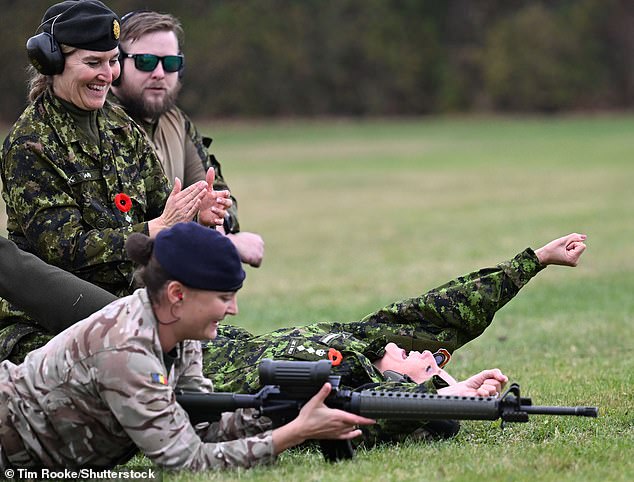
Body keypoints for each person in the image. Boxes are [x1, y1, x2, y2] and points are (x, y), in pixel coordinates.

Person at [0, 231, 586, 444]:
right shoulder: (363, 345)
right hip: (151, 336)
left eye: (424, 366)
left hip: (155, 359)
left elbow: (361, 415)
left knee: (24, 343)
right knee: (24, 279)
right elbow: (444, 309)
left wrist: (451, 398)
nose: (426, 353)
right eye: (433, 359)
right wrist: (530, 261)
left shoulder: (349, 375)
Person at [0, 222, 379, 470]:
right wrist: (295, 433)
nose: (233, 310)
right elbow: (187, 462)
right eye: (224, 297)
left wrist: (277, 412)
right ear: (178, 294)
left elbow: (199, 428)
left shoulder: (176, 329)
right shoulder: (124, 351)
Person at [0, 1, 230, 363]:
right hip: (52, 325)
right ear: (53, 62)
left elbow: (160, 209)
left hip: (137, 307)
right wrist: (155, 228)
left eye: (112, 61)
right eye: (93, 63)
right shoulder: (31, 143)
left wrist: (194, 216)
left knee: (236, 351)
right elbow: (63, 249)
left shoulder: (122, 129)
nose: (106, 74)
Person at [111, 10, 264, 268]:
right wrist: (226, 242)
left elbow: (217, 197)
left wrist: (219, 221)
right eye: (146, 61)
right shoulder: (101, 124)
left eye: (170, 63)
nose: (160, 73)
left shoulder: (177, 122)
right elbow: (127, 229)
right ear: (117, 63)